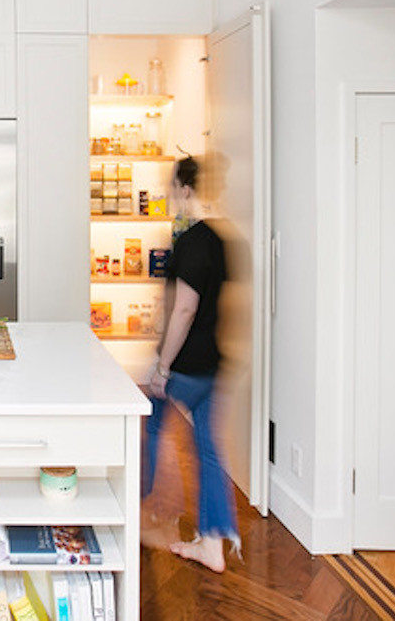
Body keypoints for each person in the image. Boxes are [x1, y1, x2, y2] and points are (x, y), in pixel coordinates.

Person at [141, 155, 240, 573]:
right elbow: (220, 305)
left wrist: (162, 369)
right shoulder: (220, 239)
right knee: (209, 451)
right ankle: (214, 543)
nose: (167, 192)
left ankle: (142, 510)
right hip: (213, 363)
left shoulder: (189, 241)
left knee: (148, 420)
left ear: (185, 188)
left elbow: (184, 310)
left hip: (184, 365)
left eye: (171, 184)